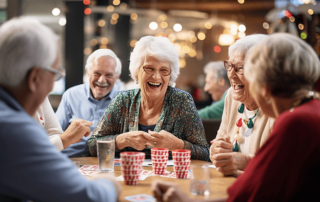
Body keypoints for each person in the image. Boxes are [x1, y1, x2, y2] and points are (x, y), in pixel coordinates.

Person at [151, 32, 320, 202]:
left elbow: (250, 193)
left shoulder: (294, 121)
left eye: (250, 75)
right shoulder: (312, 110)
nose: (232, 76)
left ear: (265, 85)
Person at [0, 17, 120, 202]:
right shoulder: (12, 127)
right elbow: (89, 197)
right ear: (35, 79)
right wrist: (109, 183)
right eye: (55, 74)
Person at [85, 36, 210, 161]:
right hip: (126, 177)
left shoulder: (182, 101)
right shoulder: (123, 100)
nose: (156, 76)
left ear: (171, 74)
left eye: (164, 70)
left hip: (168, 179)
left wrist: (178, 145)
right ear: (136, 71)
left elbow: (205, 153)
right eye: (149, 68)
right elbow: (91, 146)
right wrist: (122, 140)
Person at [210, 34, 275, 176]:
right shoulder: (231, 98)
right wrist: (216, 150)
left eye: (239, 68)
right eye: (229, 66)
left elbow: (281, 166)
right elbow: (218, 141)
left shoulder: (276, 106)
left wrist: (246, 162)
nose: (231, 75)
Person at [56, 49, 121, 157]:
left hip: (106, 163)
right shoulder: (71, 95)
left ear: (117, 77)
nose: (101, 80)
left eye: (109, 75)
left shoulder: (124, 99)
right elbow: (54, 133)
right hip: (72, 159)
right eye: (97, 73)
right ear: (87, 72)